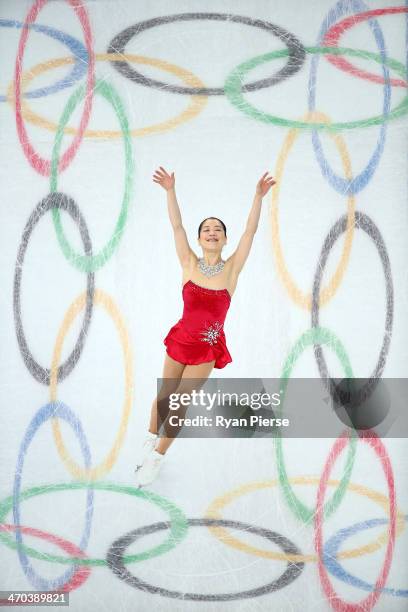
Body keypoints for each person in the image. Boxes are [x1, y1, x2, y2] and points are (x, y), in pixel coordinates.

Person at [135, 166, 276, 486]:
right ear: (200, 239)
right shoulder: (188, 262)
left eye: (218, 230)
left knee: (181, 400)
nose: (212, 232)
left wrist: (258, 197)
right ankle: (148, 440)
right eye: (207, 230)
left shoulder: (232, 270)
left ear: (225, 239)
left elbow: (250, 233)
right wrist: (170, 190)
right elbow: (176, 225)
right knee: (165, 396)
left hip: (207, 347)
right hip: (180, 340)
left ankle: (157, 457)